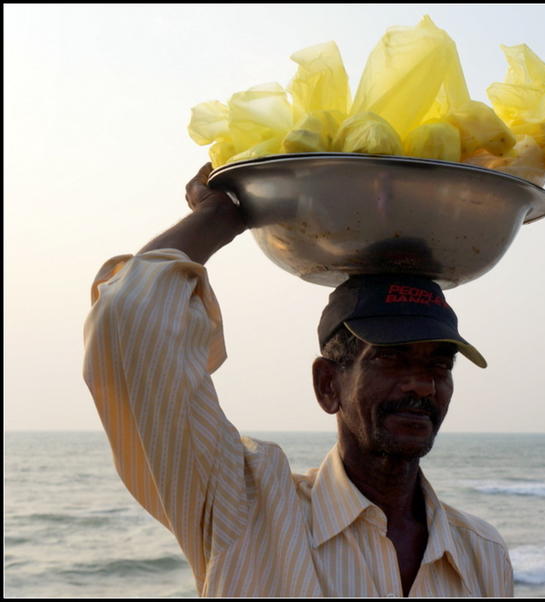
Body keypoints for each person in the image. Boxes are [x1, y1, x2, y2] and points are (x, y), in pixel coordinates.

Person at [82, 163, 513, 597]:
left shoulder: (482, 554)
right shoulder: (245, 511)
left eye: (440, 364)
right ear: (328, 385)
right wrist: (216, 219)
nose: (421, 385)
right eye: (391, 358)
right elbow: (128, 318)